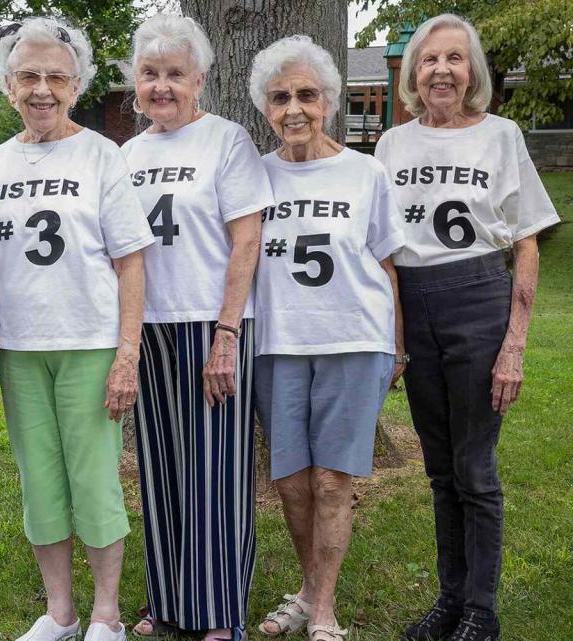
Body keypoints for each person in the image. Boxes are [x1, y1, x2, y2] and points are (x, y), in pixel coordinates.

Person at [374, 14, 560, 641]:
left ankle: (481, 609)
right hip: (417, 302)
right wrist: (396, 339)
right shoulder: (392, 146)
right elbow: (386, 254)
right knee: (439, 470)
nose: (441, 71)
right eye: (430, 60)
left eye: (455, 59)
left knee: (475, 468)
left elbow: (528, 242)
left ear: (472, 70)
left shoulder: (502, 135)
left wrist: (514, 343)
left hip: (480, 299)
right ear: (414, 74)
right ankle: (449, 600)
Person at [0, 16, 154, 641]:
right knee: (40, 481)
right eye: (28, 75)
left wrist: (126, 354)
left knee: (93, 479)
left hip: (88, 343)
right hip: (20, 350)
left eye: (56, 76)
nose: (42, 89)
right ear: (8, 86)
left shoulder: (102, 155)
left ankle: (106, 613)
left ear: (76, 85)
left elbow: (131, 259)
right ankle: (60, 611)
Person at [247, 35, 406, 641]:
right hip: (278, 345)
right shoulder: (254, 176)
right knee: (290, 483)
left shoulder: (365, 172)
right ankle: (308, 588)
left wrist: (398, 345)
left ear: (329, 102)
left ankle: (323, 609)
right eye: (281, 96)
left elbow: (389, 266)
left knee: (332, 480)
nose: (294, 109)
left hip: (353, 340)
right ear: (266, 106)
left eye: (307, 95)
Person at [120, 14, 274, 641]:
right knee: (160, 468)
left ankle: (217, 611)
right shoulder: (126, 154)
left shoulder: (226, 140)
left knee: (216, 468)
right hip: (149, 326)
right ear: (136, 82)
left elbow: (247, 240)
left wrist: (227, 333)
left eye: (175, 75)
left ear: (200, 81)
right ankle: (168, 600)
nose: (162, 86)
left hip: (214, 325)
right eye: (151, 74)